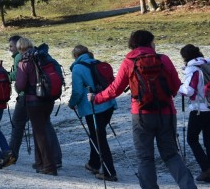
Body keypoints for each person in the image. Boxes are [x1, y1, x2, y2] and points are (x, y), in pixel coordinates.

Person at [89, 30, 197, 189]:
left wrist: (96, 98)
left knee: (145, 158)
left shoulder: (129, 61)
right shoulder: (163, 59)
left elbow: (115, 89)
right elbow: (175, 86)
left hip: (141, 115)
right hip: (166, 113)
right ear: (149, 42)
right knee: (171, 155)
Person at [9, 36, 62, 168]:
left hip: (33, 100)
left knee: (38, 133)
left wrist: (16, 86)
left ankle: (48, 165)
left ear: (19, 48)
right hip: (49, 98)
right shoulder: (45, 57)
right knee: (44, 127)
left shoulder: (24, 60)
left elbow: (20, 85)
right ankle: (44, 161)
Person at [68, 45, 117, 182]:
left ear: (75, 56)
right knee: (96, 135)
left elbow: (77, 91)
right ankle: (94, 164)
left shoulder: (78, 68)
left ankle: (109, 172)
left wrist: (72, 104)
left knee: (99, 138)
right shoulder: (98, 63)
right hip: (108, 104)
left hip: (93, 107)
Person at [179, 44, 210, 183]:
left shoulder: (193, 69)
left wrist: (180, 87)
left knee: (192, 139)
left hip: (199, 109)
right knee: (208, 140)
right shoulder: (207, 64)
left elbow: (189, 91)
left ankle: (206, 169)